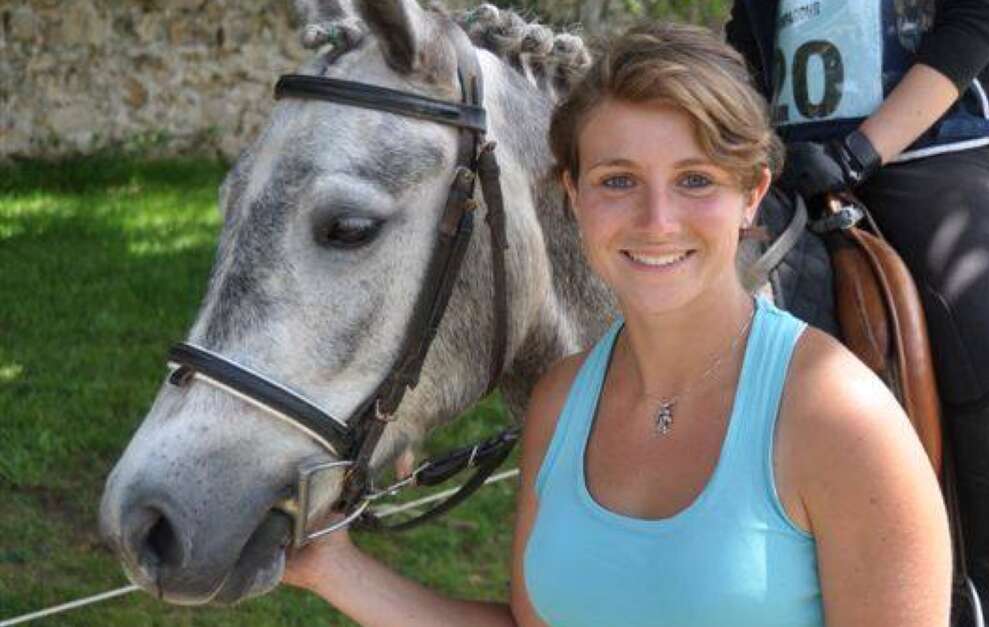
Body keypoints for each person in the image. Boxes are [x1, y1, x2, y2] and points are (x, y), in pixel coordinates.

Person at [283, 22, 951, 626]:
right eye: (617, 181)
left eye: (695, 180)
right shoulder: (562, 400)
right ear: (573, 197)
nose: (656, 221)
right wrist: (335, 569)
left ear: (751, 196)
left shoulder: (838, 419)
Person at [725, 1, 989, 625]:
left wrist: (857, 153)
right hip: (783, 164)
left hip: (936, 154)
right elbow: (750, 39)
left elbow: (975, 22)